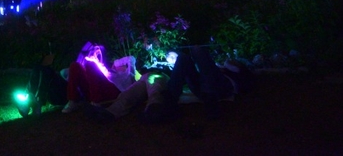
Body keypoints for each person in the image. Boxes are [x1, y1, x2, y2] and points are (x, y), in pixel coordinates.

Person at [87, 47, 249, 123]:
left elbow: (236, 69)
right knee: (149, 78)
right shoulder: (173, 62)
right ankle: (111, 112)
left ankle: (159, 106)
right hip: (197, 84)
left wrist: (224, 64)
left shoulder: (233, 69)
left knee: (197, 50)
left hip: (219, 86)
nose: (170, 57)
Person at [61, 42, 134, 112]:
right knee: (75, 65)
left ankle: (96, 103)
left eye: (123, 66)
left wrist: (116, 63)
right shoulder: (109, 72)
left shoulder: (129, 74)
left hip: (112, 93)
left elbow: (131, 58)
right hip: (95, 91)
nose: (119, 66)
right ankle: (73, 100)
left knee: (91, 65)